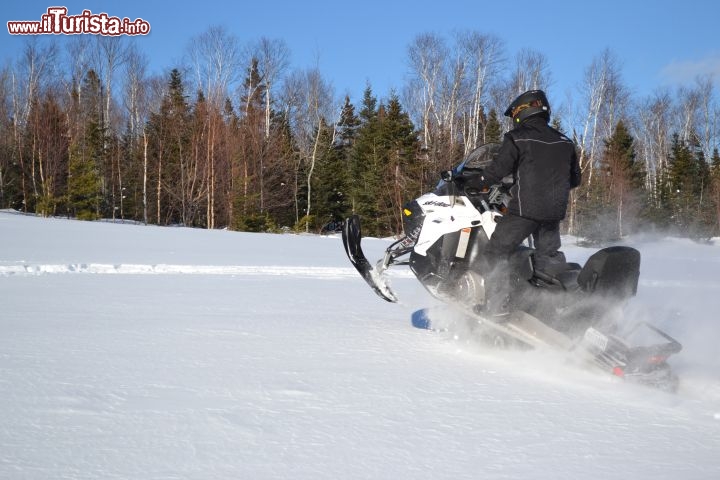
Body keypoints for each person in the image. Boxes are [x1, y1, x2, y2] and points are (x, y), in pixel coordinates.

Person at [466, 89, 581, 316]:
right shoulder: (565, 142)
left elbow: (497, 171)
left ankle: (494, 306)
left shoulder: (517, 138)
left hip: (524, 212)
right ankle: (552, 307)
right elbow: (575, 179)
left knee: (496, 253)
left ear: (522, 111)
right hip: (553, 214)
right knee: (548, 259)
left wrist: (476, 182)